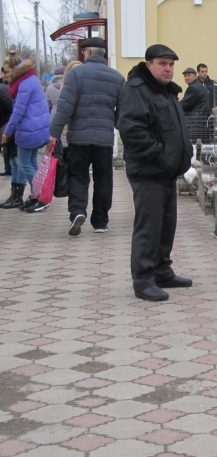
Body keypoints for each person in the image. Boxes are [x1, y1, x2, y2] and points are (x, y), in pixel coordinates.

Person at [117, 44, 193, 302]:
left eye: (171, 64)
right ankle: (143, 279)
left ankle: (162, 271)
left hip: (166, 171)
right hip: (149, 171)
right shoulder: (137, 90)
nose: (168, 68)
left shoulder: (167, 92)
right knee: (149, 227)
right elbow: (132, 130)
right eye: (162, 63)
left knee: (166, 224)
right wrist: (161, 155)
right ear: (149, 64)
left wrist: (184, 152)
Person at [50, 37, 125, 231]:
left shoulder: (75, 75)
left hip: (79, 139)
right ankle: (100, 221)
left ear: (88, 52)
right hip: (104, 140)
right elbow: (124, 111)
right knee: (103, 178)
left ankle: (77, 211)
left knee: (78, 176)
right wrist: (113, 123)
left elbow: (65, 108)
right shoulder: (117, 78)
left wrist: (54, 133)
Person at [0, 56, 50, 210]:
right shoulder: (31, 78)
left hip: (28, 129)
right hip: (37, 128)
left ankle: (41, 197)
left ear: (15, 69)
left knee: (24, 164)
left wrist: (6, 132)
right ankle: (37, 197)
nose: (3, 75)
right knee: (31, 162)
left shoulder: (23, 84)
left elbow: (18, 111)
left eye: (6, 71)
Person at [179, 66, 211, 142]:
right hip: (201, 124)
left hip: (194, 125)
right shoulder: (199, 86)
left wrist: (173, 105)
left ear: (195, 76)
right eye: (185, 76)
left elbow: (184, 105)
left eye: (189, 75)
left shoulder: (193, 88)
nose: (186, 78)